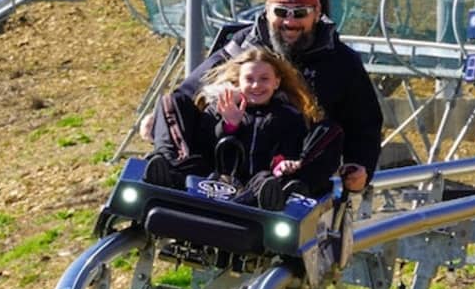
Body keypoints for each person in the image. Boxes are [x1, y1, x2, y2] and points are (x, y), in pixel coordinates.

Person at [149, 0, 383, 195]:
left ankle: (286, 190)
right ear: (267, 12)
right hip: (225, 153)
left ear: (317, 13)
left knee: (329, 132)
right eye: (281, 12)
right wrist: (163, 121)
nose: (290, 22)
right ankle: (174, 169)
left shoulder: (341, 61)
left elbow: (365, 121)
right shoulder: (243, 44)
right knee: (172, 102)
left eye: (300, 13)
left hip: (285, 163)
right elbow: (193, 88)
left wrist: (361, 164)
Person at [144, 48, 337, 210]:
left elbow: (289, 149)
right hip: (209, 177)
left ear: (276, 82)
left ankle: (269, 199)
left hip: (257, 183)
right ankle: (167, 171)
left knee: (328, 132)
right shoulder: (220, 106)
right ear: (238, 82)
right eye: (249, 79)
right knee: (173, 101)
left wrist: (284, 164)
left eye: (264, 79)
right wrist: (229, 125)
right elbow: (203, 143)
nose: (256, 85)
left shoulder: (287, 116)